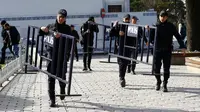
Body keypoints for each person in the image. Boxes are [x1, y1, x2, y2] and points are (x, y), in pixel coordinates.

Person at [39, 9, 71, 107]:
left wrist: (61, 36)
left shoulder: (67, 28)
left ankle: (62, 88)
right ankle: (52, 99)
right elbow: (40, 34)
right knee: (50, 77)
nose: (61, 19)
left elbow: (70, 42)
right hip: (51, 56)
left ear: (65, 18)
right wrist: (41, 29)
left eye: (63, 17)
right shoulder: (50, 26)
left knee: (62, 75)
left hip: (61, 56)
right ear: (57, 16)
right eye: (59, 17)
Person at [150, 10, 186, 92]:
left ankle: (165, 83)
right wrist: (149, 31)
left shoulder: (170, 26)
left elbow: (178, 36)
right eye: (161, 16)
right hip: (157, 51)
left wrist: (183, 47)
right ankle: (158, 82)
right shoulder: (155, 26)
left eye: (164, 16)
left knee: (166, 69)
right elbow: (150, 38)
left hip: (167, 50)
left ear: (167, 17)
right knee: (156, 68)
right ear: (159, 17)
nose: (162, 18)